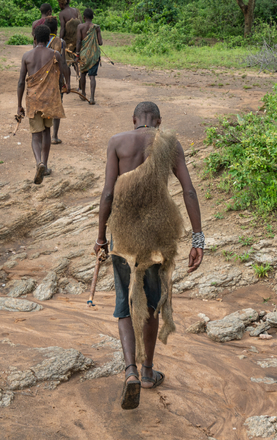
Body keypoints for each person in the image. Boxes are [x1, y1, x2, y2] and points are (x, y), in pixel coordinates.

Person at [93, 101, 204, 409]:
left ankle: (129, 371)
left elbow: (107, 194)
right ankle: (147, 371)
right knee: (152, 303)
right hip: (158, 233)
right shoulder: (168, 143)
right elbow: (189, 191)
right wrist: (198, 238)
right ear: (158, 122)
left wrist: (101, 237)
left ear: (134, 121)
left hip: (124, 233)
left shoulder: (118, 142)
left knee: (126, 302)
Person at [16, 25, 69, 184]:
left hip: (33, 100)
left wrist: (19, 105)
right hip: (49, 100)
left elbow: (20, 82)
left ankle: (38, 162)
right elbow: (62, 72)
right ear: (48, 40)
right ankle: (44, 166)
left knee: (35, 135)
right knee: (47, 132)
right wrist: (66, 85)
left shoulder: (27, 56)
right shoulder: (55, 54)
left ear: (34, 39)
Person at [76, 8, 103, 105]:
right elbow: (100, 43)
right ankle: (92, 98)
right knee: (92, 77)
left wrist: (77, 54)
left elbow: (78, 41)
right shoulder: (96, 27)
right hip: (94, 56)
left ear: (84, 17)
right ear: (92, 17)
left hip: (83, 55)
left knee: (83, 74)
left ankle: (83, 94)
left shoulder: (80, 27)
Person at [57, 0, 81, 87]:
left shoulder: (62, 14)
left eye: (59, 3)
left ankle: (68, 83)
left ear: (61, 3)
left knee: (65, 62)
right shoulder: (76, 11)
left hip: (68, 43)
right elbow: (81, 25)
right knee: (77, 60)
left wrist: (59, 40)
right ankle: (80, 78)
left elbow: (62, 29)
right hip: (78, 41)